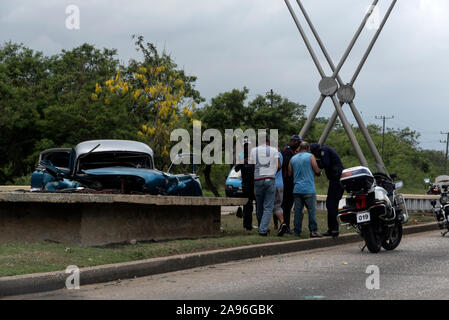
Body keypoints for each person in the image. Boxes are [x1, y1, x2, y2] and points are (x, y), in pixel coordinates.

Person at [288, 141, 322, 238]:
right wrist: (319, 173)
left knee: (298, 212)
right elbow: (316, 170)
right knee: (311, 211)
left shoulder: (293, 158)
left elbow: (290, 173)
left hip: (297, 189)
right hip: (308, 189)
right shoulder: (310, 156)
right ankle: (313, 231)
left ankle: (296, 231)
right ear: (308, 149)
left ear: (300, 148)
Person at [310, 143, 344, 238]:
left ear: (316, 151)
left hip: (336, 181)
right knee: (331, 204)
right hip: (335, 181)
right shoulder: (325, 150)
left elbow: (325, 163)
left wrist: (313, 163)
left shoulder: (324, 151)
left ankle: (334, 229)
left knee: (331, 204)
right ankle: (332, 229)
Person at [250, 135, 281, 236]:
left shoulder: (254, 150)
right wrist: (272, 172)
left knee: (259, 206)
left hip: (258, 179)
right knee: (268, 206)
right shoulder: (274, 150)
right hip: (270, 179)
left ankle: (261, 226)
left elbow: (253, 165)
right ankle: (263, 229)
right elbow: (279, 165)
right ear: (268, 141)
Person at [281, 135, 302, 233]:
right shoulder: (287, 151)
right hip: (287, 181)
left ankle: (287, 226)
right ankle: (286, 226)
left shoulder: (291, 151)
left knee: (289, 205)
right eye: (297, 142)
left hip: (291, 181)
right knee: (287, 205)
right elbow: (287, 165)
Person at [235, 139, 255, 231]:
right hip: (245, 184)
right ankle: (247, 225)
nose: (246, 147)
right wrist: (243, 161)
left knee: (256, 205)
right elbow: (236, 169)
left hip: (255, 183)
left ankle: (260, 225)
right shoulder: (241, 156)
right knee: (247, 204)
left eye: (248, 145)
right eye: (245, 145)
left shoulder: (254, 155)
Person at [272, 149, 288, 236]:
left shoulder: (274, 155)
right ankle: (276, 226)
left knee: (274, 207)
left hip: (273, 183)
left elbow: (278, 167)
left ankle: (282, 223)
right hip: (281, 184)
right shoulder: (280, 155)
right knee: (277, 206)